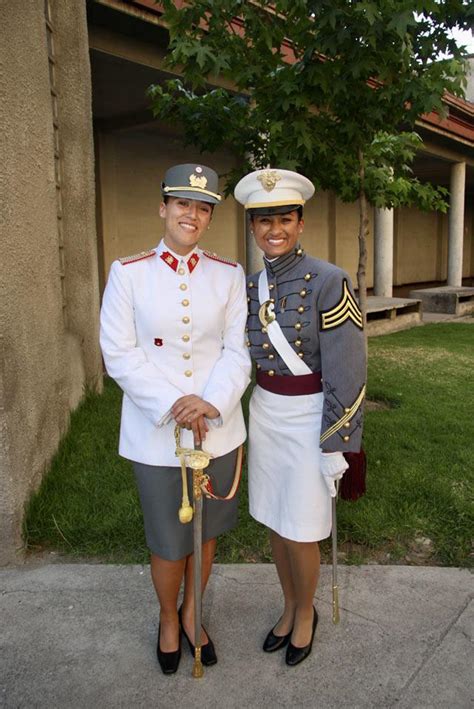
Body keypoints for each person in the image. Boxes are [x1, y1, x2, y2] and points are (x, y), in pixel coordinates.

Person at [100, 163, 251, 674]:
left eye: (203, 207)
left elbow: (239, 349)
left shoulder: (229, 275)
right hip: (156, 432)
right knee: (169, 538)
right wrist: (175, 406)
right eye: (183, 203)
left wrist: (210, 403)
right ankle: (168, 617)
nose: (192, 214)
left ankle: (194, 612)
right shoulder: (129, 272)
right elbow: (117, 352)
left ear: (209, 218)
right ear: (164, 207)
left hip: (218, 428)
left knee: (204, 534)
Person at [234, 168, 366, 667]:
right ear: (253, 227)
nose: (275, 229)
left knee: (302, 526)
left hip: (310, 417)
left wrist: (338, 440)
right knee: (274, 517)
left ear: (300, 223)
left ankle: (305, 613)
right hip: (266, 411)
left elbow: (347, 369)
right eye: (264, 220)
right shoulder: (249, 287)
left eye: (285, 219)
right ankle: (287, 606)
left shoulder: (332, 281)